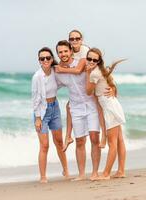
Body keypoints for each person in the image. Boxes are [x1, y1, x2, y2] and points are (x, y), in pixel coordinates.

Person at [54, 40, 101, 181]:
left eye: (65, 51)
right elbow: (51, 87)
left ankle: (94, 173)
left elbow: (100, 72)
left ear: (70, 51)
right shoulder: (57, 73)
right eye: (60, 52)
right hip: (75, 107)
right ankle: (81, 174)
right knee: (80, 141)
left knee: (94, 137)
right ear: (58, 53)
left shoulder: (82, 62)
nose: (63, 54)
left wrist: (110, 88)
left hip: (91, 104)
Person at [85, 47, 127, 180]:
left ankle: (106, 173)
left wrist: (87, 73)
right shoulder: (102, 71)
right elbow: (113, 85)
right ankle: (120, 171)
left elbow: (88, 92)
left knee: (112, 142)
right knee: (119, 140)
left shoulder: (94, 74)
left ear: (98, 61)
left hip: (109, 106)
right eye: (89, 58)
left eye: (94, 59)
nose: (91, 61)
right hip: (112, 104)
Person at [32, 47, 69, 183]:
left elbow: (64, 80)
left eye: (48, 58)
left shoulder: (55, 71)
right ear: (39, 61)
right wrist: (37, 118)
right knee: (45, 145)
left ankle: (66, 170)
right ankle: (43, 177)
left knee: (59, 142)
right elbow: (35, 98)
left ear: (52, 59)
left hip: (55, 108)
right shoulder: (37, 77)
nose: (45, 60)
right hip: (42, 112)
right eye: (42, 58)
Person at [62, 30, 90, 152]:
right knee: (69, 106)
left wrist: (61, 70)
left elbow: (79, 69)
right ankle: (68, 136)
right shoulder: (69, 52)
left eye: (77, 38)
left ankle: (102, 137)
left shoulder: (85, 50)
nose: (74, 41)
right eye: (71, 39)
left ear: (81, 39)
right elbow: (65, 63)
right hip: (80, 89)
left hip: (91, 85)